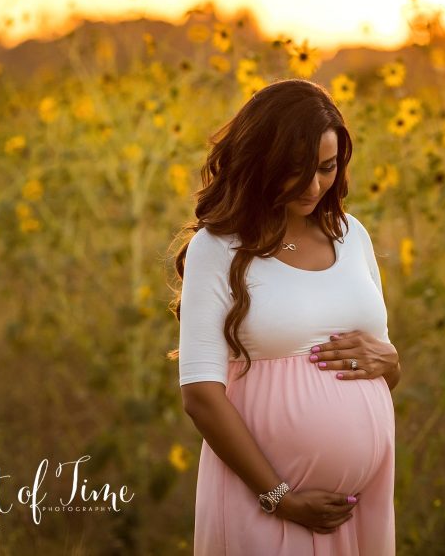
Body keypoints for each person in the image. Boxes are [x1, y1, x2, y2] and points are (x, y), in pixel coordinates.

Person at [169, 78, 401, 555]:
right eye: (297, 170)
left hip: (359, 505)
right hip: (264, 500)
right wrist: (280, 498)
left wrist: (390, 364)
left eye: (327, 168)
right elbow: (200, 395)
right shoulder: (218, 249)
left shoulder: (351, 235)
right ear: (262, 161)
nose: (314, 186)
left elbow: (379, 364)